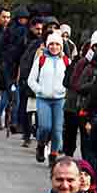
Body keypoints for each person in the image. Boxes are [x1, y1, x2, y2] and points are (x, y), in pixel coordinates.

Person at [27, 32, 70, 167]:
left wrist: (65, 91)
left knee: (57, 131)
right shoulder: (41, 59)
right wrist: (39, 90)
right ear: (47, 45)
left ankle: (53, 155)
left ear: (61, 46)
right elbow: (31, 80)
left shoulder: (66, 61)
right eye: (51, 44)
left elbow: (70, 80)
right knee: (45, 127)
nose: (54, 47)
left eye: (57, 44)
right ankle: (40, 145)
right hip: (43, 99)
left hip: (60, 100)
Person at [64, 33, 97, 157]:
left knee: (89, 137)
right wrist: (93, 85)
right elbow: (76, 84)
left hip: (94, 106)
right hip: (77, 103)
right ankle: (69, 156)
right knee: (71, 132)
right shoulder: (84, 63)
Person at [15, 18, 46, 147]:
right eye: (37, 29)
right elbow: (24, 61)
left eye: (41, 29)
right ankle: (26, 135)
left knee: (40, 114)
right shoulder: (31, 43)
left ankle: (40, 138)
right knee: (29, 111)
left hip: (45, 87)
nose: (39, 32)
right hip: (31, 83)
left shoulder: (57, 47)